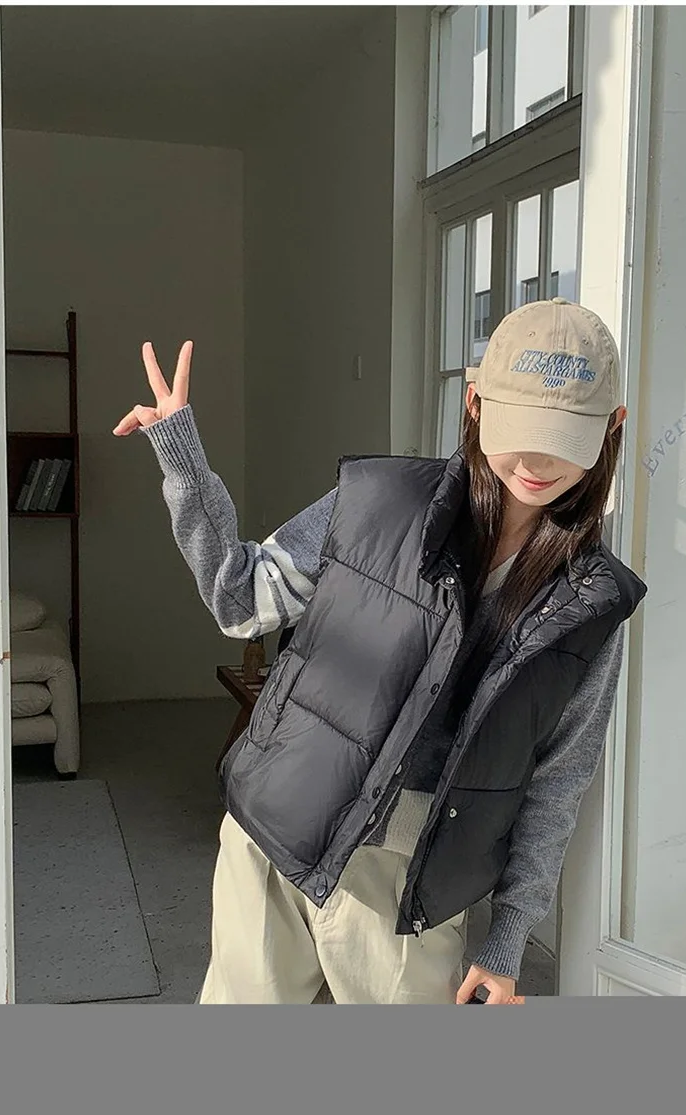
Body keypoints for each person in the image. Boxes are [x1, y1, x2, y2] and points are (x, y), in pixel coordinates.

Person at [113, 296, 647, 1004]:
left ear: (613, 428)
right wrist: (183, 460)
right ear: (475, 403)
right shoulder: (377, 502)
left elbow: (558, 781)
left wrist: (506, 938)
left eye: (565, 436)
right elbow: (241, 600)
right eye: (522, 429)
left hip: (409, 882)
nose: (538, 460)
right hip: (275, 829)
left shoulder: (591, 603)